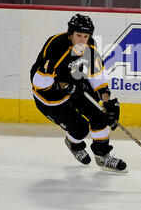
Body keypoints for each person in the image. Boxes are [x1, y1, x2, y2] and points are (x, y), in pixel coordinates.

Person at [30, 14, 126, 172]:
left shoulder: (90, 46)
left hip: (75, 83)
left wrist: (107, 101)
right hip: (50, 97)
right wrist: (65, 87)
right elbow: (39, 82)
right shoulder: (56, 46)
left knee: (101, 115)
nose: (82, 40)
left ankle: (103, 157)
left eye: (86, 36)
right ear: (70, 34)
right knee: (81, 128)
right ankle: (74, 145)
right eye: (78, 35)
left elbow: (97, 76)